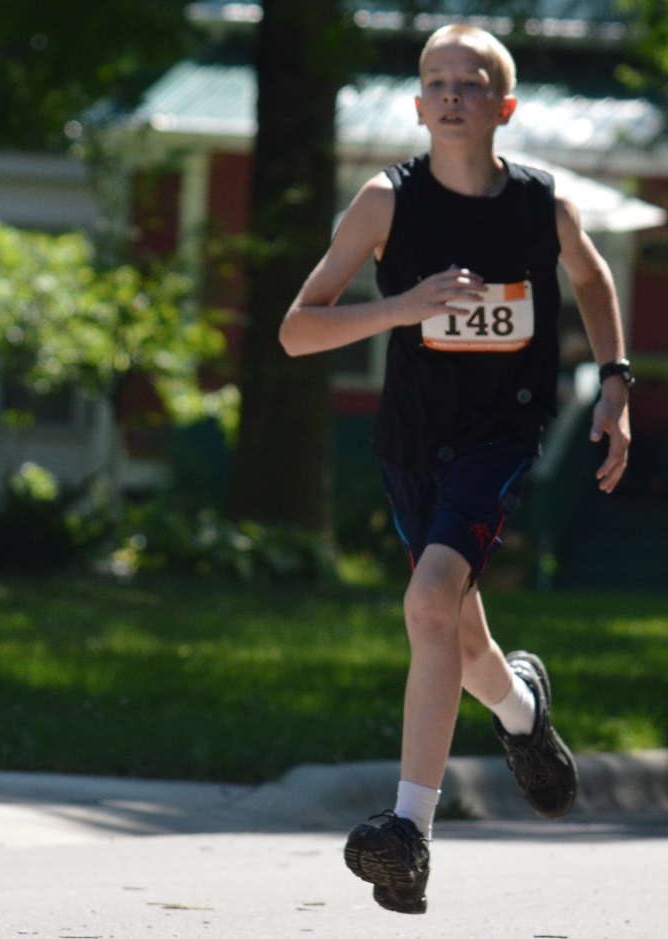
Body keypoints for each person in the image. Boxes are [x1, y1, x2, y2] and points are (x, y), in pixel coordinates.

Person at [279, 24, 631, 915]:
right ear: (416, 103)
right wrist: (403, 305)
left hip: (501, 433)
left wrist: (615, 383)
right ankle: (522, 713)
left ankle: (409, 835)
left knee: (429, 601)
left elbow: (591, 282)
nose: (450, 94)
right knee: (459, 634)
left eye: (470, 83)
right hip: (411, 441)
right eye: (435, 80)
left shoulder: (542, 206)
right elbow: (297, 327)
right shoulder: (384, 203)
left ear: (502, 107)